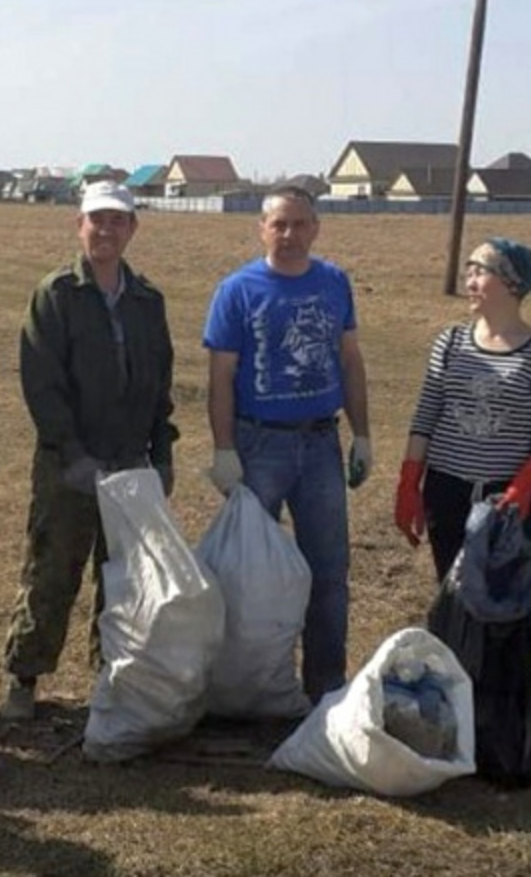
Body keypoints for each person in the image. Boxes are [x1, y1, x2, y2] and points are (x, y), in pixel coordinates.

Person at [0, 182, 177, 721]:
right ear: (79, 225)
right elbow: (42, 381)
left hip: (130, 462)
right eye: (96, 220)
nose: (106, 231)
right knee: (52, 569)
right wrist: (71, 453)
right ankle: (24, 678)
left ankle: (110, 676)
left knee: (121, 577)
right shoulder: (57, 294)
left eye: (117, 221)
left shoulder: (148, 301)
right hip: (68, 465)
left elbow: (160, 383)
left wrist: (160, 452)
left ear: (132, 229)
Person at [203, 185, 370, 703]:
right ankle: (249, 685)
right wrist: (224, 448)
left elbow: (350, 361)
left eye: (300, 224)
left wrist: (362, 433)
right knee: (248, 570)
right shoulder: (238, 290)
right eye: (280, 225)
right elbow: (220, 378)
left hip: (321, 444)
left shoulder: (334, 283)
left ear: (316, 227)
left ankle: (325, 689)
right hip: (259, 446)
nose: (290, 235)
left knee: (328, 573)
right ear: (262, 229)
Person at [394, 239, 531, 581]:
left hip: (506, 499)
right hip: (445, 492)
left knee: (505, 601)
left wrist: (524, 486)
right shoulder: (449, 343)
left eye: (480, 272)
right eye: (467, 272)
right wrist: (409, 483)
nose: (469, 282)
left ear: (512, 283)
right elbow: (426, 417)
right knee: (453, 589)